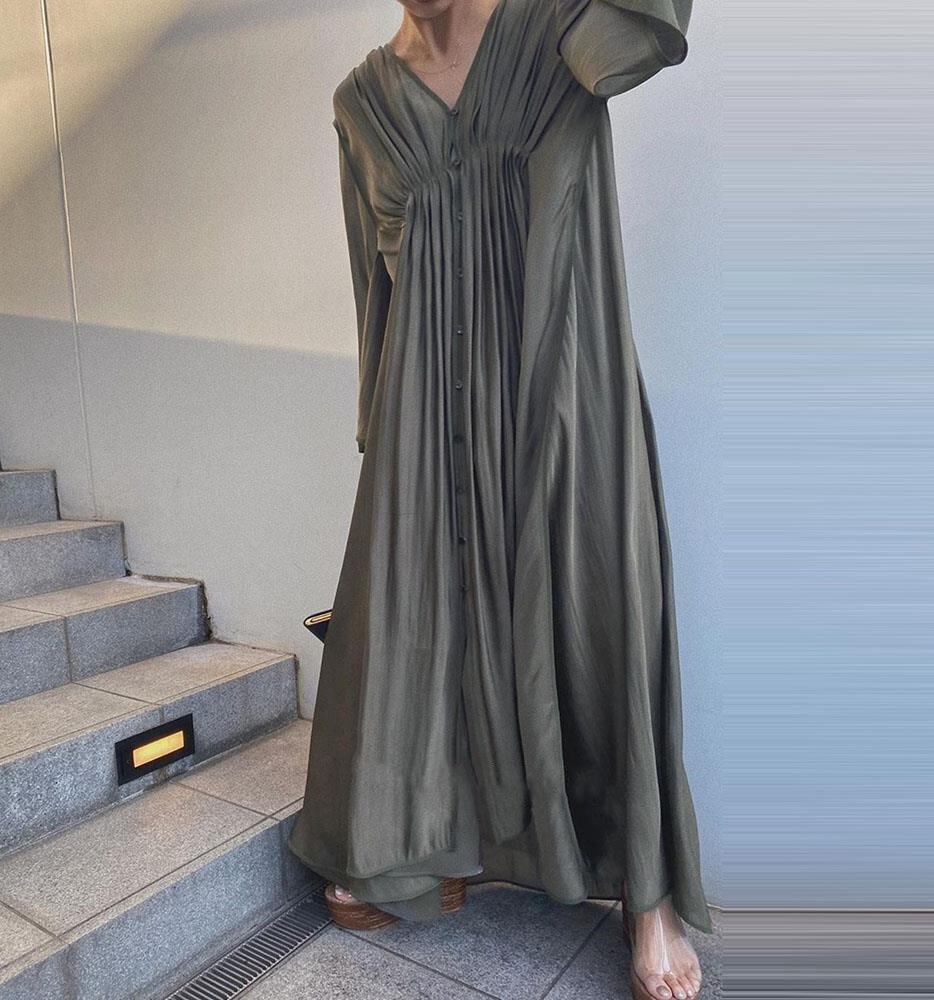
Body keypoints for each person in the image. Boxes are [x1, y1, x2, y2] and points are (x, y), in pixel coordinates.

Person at [287, 2, 711, 997]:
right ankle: (434, 844)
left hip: (562, 385)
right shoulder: (361, 104)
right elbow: (374, 288)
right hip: (428, 411)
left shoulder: (560, 28)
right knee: (424, 623)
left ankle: (646, 895)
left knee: (595, 609)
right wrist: (379, 428)